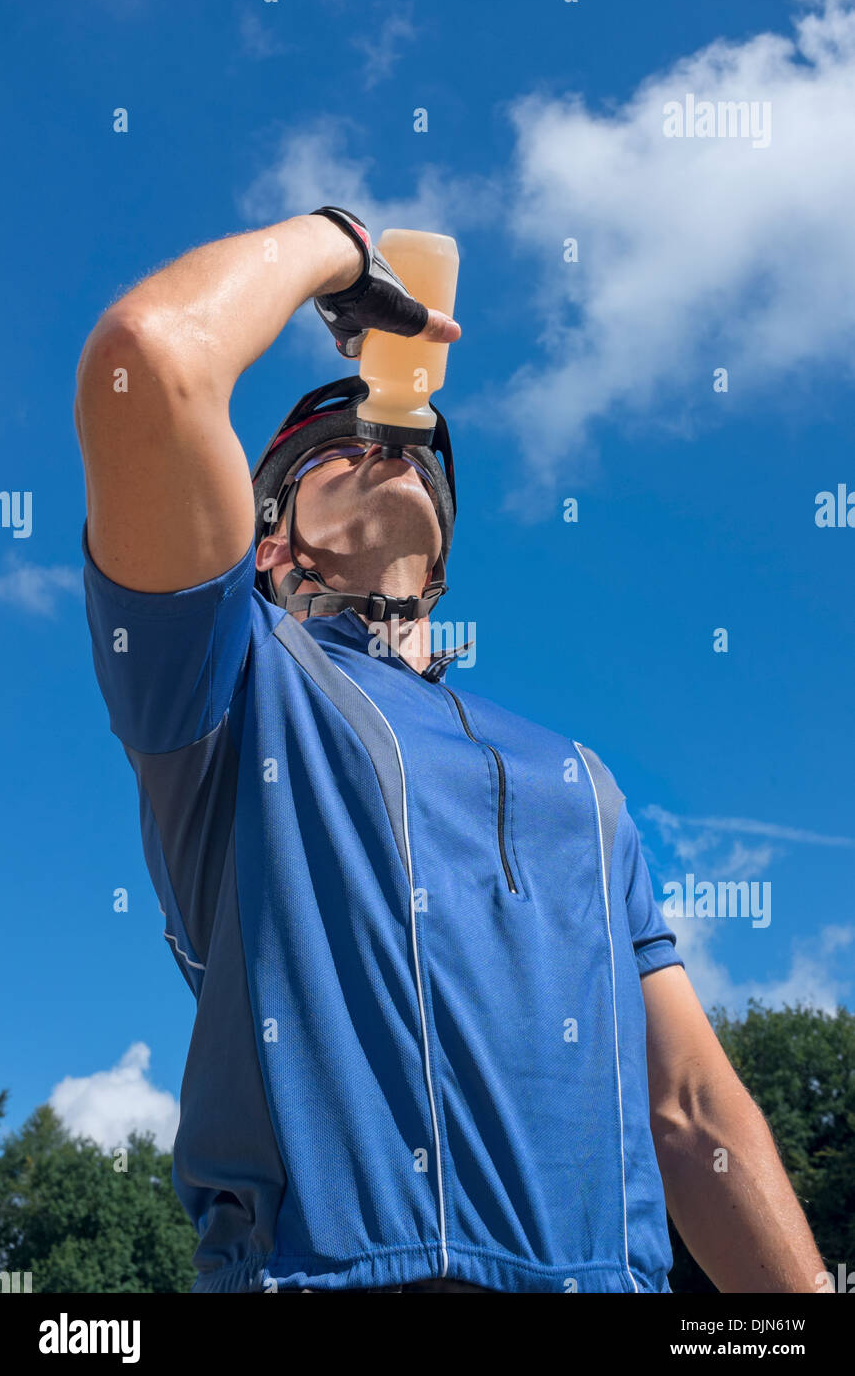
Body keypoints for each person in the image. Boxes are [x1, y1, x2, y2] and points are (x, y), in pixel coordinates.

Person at [75, 206, 828, 1294]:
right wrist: (339, 247)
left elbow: (691, 1110)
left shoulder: (585, 781)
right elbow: (146, 361)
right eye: (336, 444)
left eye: (414, 448)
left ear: (439, 566)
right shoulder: (231, 682)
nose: (387, 441)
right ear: (266, 535)